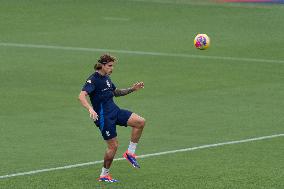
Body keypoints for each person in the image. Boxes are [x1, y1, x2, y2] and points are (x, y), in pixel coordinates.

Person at [78, 54, 146, 182]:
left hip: (115, 111)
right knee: (113, 146)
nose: (112, 68)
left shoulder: (107, 78)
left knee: (140, 122)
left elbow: (116, 92)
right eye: (109, 66)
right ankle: (104, 175)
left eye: (112, 66)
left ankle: (130, 153)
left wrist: (132, 89)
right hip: (104, 118)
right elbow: (81, 96)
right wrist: (90, 109)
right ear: (102, 65)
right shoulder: (93, 80)